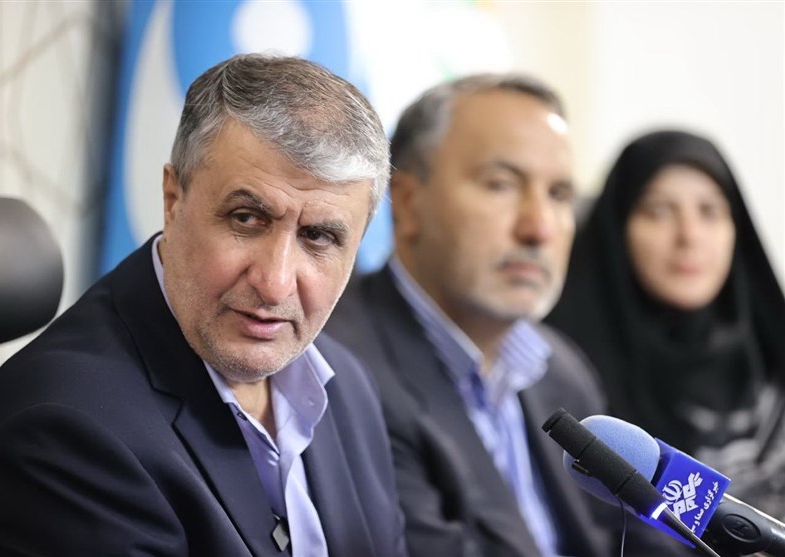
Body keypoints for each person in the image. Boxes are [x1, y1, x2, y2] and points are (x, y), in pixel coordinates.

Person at [0, 54, 407, 557]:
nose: (275, 285)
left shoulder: (347, 386)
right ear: (173, 199)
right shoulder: (66, 430)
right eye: (246, 219)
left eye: (319, 236)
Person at [324, 75, 688, 556]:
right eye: (501, 185)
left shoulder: (559, 366)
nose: (538, 228)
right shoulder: (343, 371)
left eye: (559, 194)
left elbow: (639, 534)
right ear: (408, 202)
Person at [546, 129, 785, 520]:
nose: (689, 235)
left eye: (709, 211)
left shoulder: (773, 352)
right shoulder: (560, 373)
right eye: (658, 211)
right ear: (617, 228)